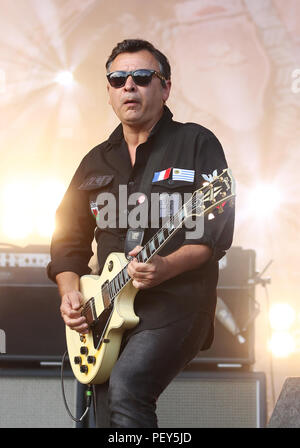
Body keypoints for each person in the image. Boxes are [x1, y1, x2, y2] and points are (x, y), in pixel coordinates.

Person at [47, 39, 235, 428]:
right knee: (102, 418)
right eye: (118, 79)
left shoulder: (196, 143)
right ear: (110, 91)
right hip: (106, 310)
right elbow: (67, 241)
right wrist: (70, 292)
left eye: (142, 77)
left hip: (177, 303)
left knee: (129, 385)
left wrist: (166, 265)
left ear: (165, 87)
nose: (128, 86)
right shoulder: (94, 161)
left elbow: (215, 233)